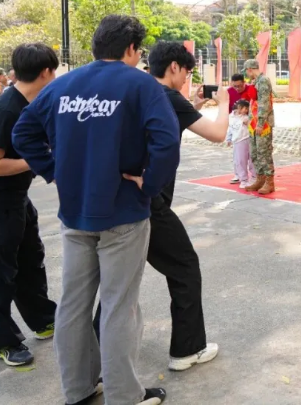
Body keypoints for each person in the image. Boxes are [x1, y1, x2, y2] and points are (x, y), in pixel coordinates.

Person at [12, 15, 180, 405]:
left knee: (73, 304)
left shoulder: (63, 85)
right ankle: (124, 396)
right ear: (132, 49)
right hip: (124, 213)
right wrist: (149, 184)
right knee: (119, 306)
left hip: (75, 214)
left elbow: (23, 133)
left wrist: (55, 171)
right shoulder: (140, 84)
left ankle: (78, 390)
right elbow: (167, 142)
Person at [92, 40, 229, 373]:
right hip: (149, 201)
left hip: (115, 195)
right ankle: (187, 349)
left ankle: (92, 357)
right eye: (187, 73)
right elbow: (217, 133)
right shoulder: (167, 97)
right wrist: (225, 103)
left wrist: (191, 104)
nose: (186, 80)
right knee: (184, 268)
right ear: (174, 67)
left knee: (119, 280)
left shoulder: (135, 91)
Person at [0, 43, 59, 368]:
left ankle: (43, 319)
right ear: (45, 72)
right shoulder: (6, 110)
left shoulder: (32, 103)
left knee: (31, 261)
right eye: (54, 71)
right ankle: (5, 342)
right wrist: (41, 159)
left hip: (16, 198)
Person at [242, 59, 276, 195]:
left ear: (250, 69)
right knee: (255, 153)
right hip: (253, 124)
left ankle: (269, 181)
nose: (246, 74)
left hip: (263, 124)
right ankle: (260, 179)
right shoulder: (255, 81)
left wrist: (260, 123)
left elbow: (264, 104)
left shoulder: (263, 81)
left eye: (246, 71)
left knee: (264, 152)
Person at [226, 99, 255, 188]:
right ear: (239, 107)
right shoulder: (231, 117)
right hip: (238, 141)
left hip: (248, 138)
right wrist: (229, 138)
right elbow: (230, 128)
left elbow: (252, 125)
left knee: (252, 159)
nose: (246, 110)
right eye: (245, 108)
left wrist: (248, 123)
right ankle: (243, 179)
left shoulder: (246, 117)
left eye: (247, 109)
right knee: (240, 161)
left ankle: (254, 177)